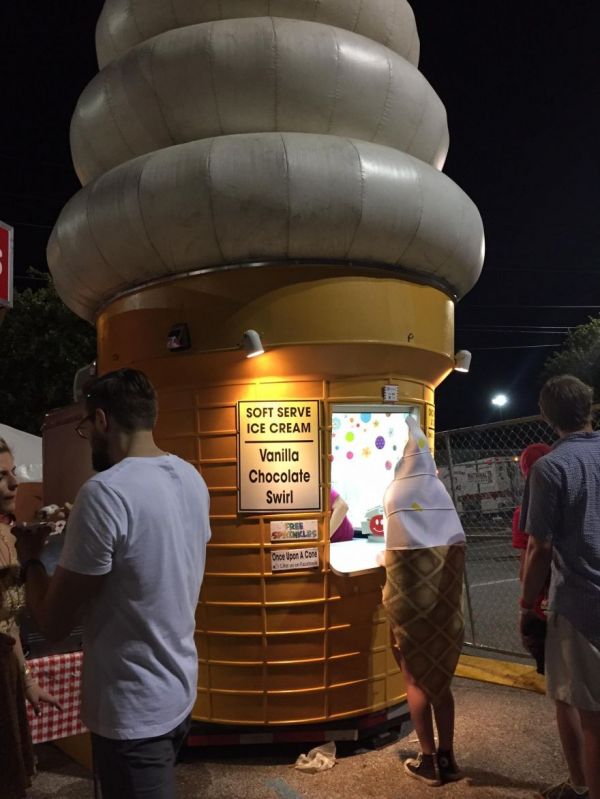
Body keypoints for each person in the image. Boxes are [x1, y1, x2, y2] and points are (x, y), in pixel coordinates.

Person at [14, 369, 212, 799]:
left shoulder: (105, 493)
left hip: (132, 709)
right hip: (179, 691)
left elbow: (51, 623)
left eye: (86, 426)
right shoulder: (191, 478)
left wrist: (31, 558)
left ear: (102, 420)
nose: (89, 437)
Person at [520, 375, 600, 799]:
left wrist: (526, 602)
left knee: (586, 712)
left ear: (548, 417)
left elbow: (540, 546)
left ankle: (582, 785)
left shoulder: (549, 467)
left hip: (581, 603)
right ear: (589, 408)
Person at [381, 416, 466, 787]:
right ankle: (448, 757)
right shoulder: (441, 495)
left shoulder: (394, 494)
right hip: (444, 611)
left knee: (414, 678)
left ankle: (428, 761)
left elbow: (392, 553)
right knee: (441, 682)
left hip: (406, 606)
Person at [0, 438, 60, 799]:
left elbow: (10, 623)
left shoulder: (11, 533)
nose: (14, 482)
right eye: (0, 475)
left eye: (12, 471)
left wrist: (26, 682)